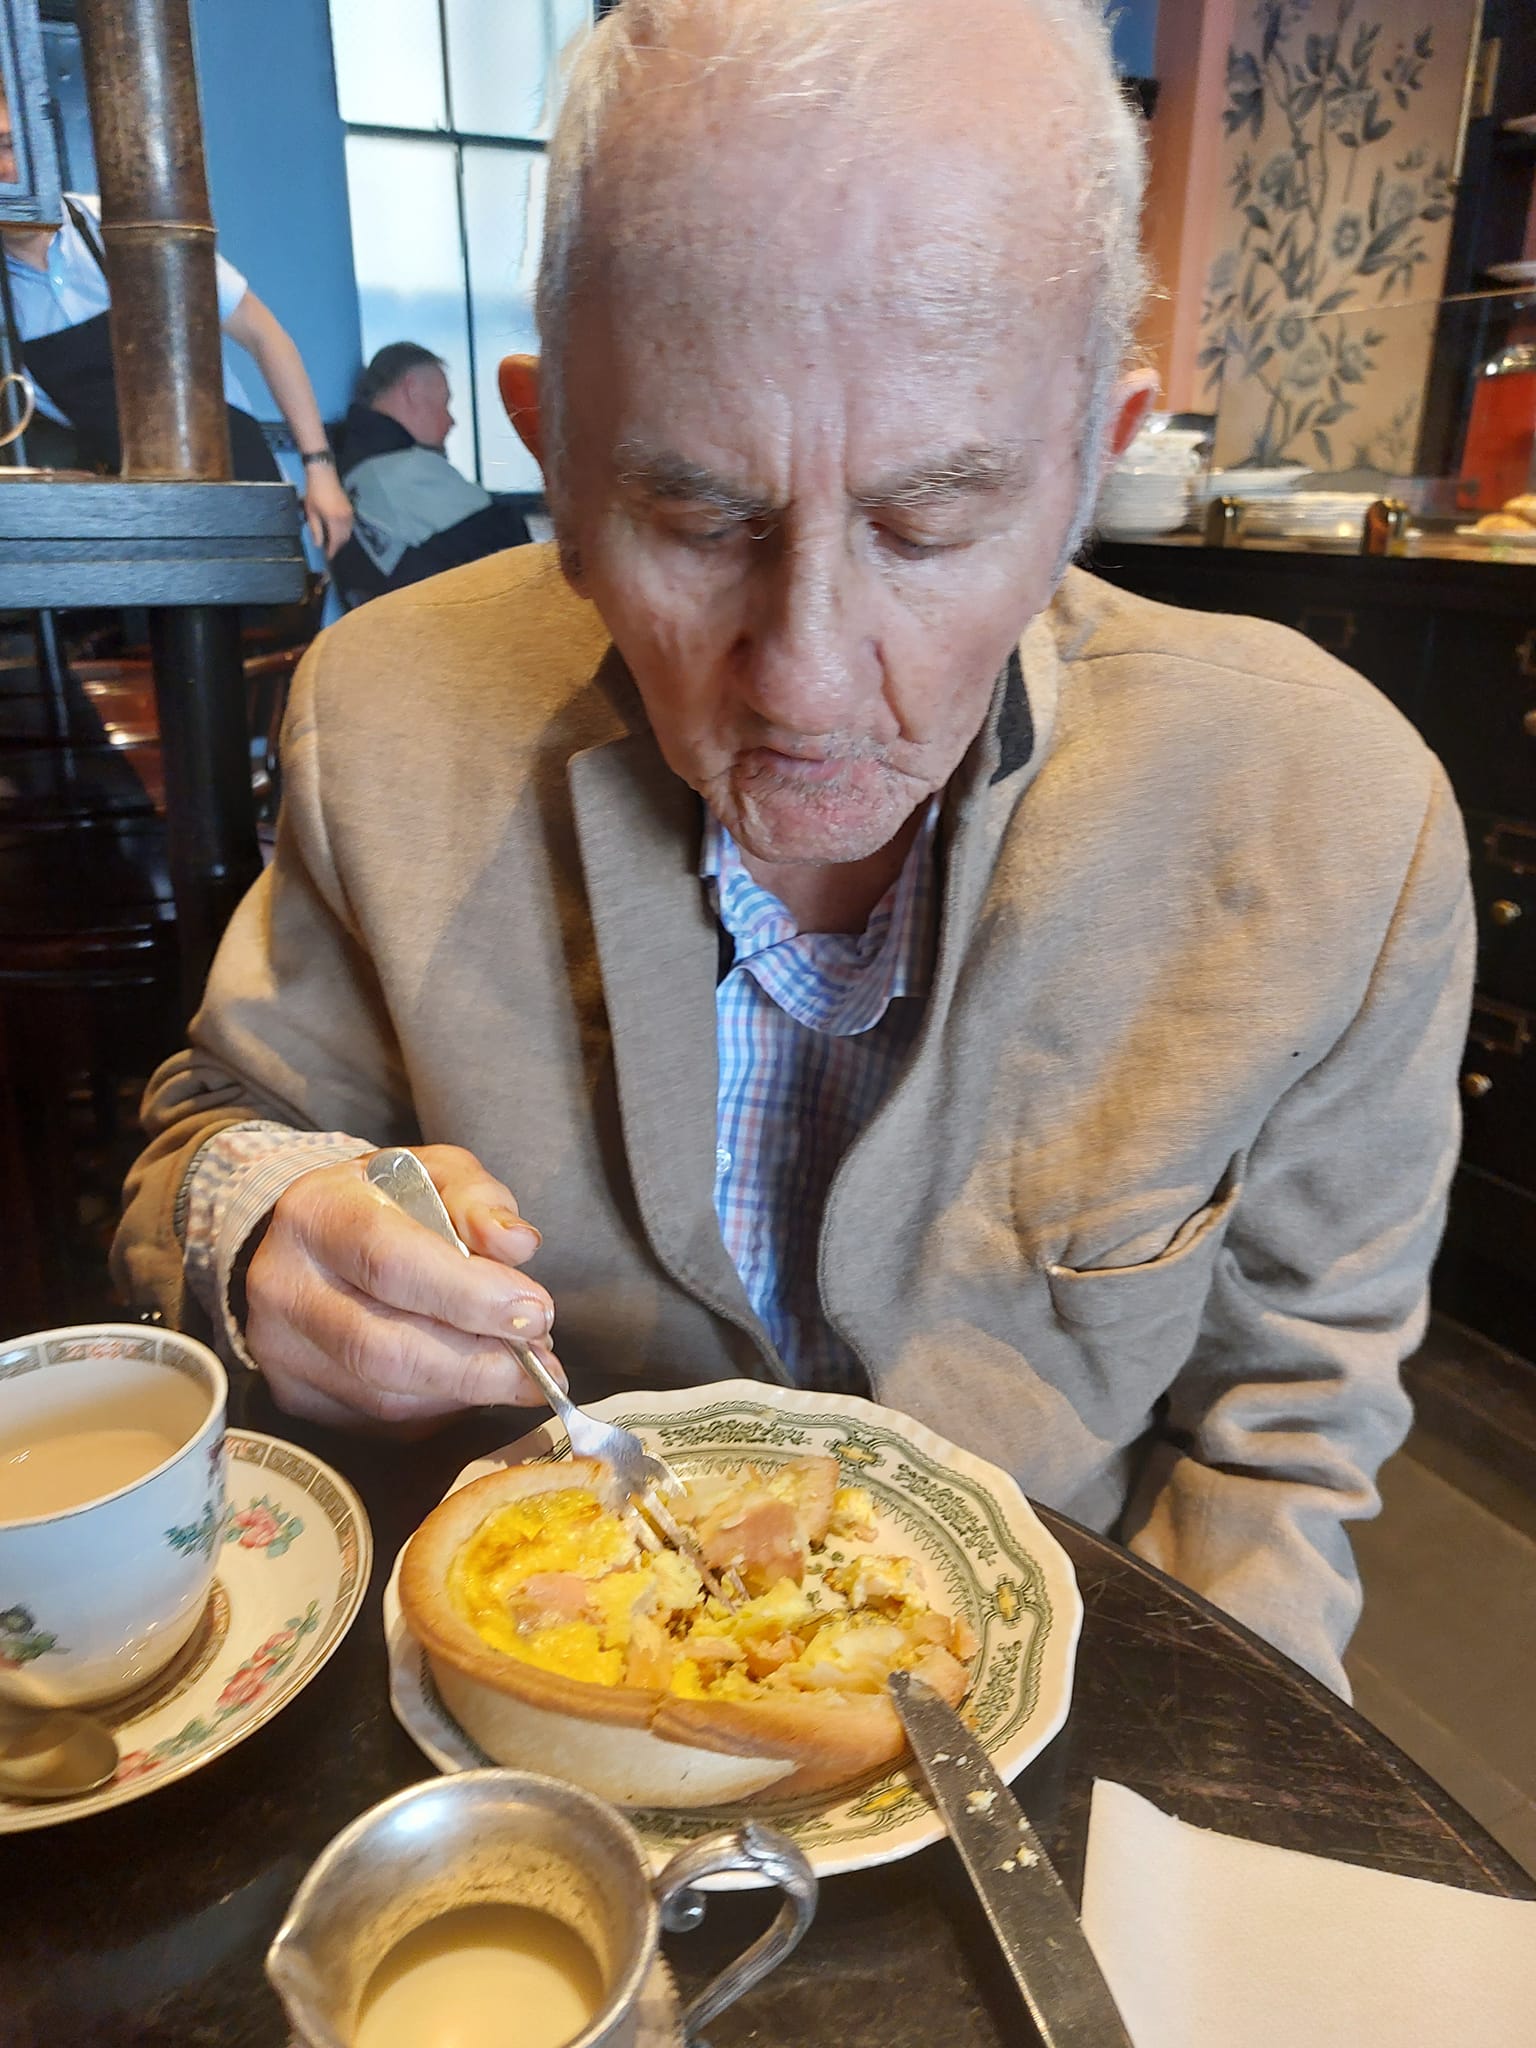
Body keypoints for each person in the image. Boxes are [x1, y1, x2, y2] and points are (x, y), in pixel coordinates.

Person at [114, 0, 1473, 1695]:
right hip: (537, 1667)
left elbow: (1284, 1435)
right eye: (697, 518)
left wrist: (1190, 1795)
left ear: (1089, 468)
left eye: (932, 522)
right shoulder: (386, 714)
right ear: (554, 457)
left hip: (1053, 1702)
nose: (807, 681)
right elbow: (211, 1137)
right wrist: (261, 1231)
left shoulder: (1334, 816)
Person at [0, 107, 352, 555]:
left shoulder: (126, 226)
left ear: (41, 147)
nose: (4, 170)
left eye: (9, 145)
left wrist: (320, 469)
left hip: (236, 473)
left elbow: (264, 336)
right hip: (136, 520)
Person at [330, 343, 532, 605]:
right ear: (412, 390)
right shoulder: (398, 470)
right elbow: (513, 543)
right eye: (445, 402)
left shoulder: (349, 468)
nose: (451, 420)